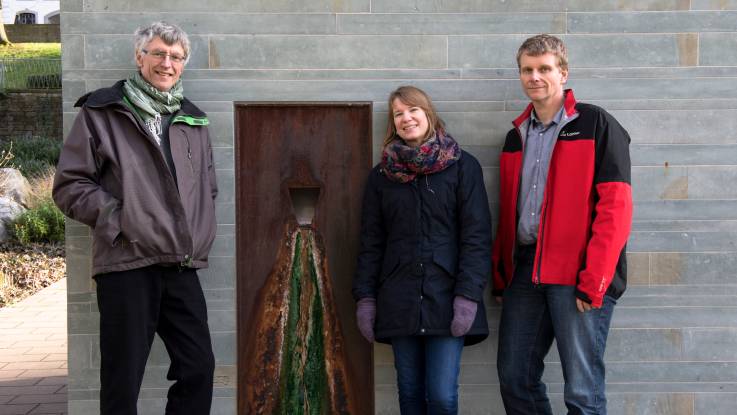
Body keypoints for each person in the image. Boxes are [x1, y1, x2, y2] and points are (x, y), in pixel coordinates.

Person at [53, 22, 217, 415]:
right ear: (139, 56)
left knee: (199, 367)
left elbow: (207, 187)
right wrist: (122, 219)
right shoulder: (102, 112)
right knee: (122, 379)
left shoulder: (192, 120)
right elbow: (70, 185)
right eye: (158, 53)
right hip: (127, 263)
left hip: (180, 264)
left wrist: (201, 230)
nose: (167, 63)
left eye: (176, 57)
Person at [492, 34, 633, 415]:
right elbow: (509, 215)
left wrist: (596, 279)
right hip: (526, 272)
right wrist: (503, 273)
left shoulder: (595, 123)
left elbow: (615, 209)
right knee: (515, 378)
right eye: (527, 69)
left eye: (544, 69)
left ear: (563, 72)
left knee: (583, 393)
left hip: (578, 275)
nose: (534, 77)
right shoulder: (515, 137)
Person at [352, 85, 492, 414]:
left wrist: (468, 296)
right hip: (398, 298)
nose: (406, 118)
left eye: (412, 110)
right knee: (410, 395)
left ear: (428, 113)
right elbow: (371, 242)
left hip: (447, 298)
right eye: (398, 114)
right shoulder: (382, 176)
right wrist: (366, 298)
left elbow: (477, 236)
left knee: (442, 397)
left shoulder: (461, 166)